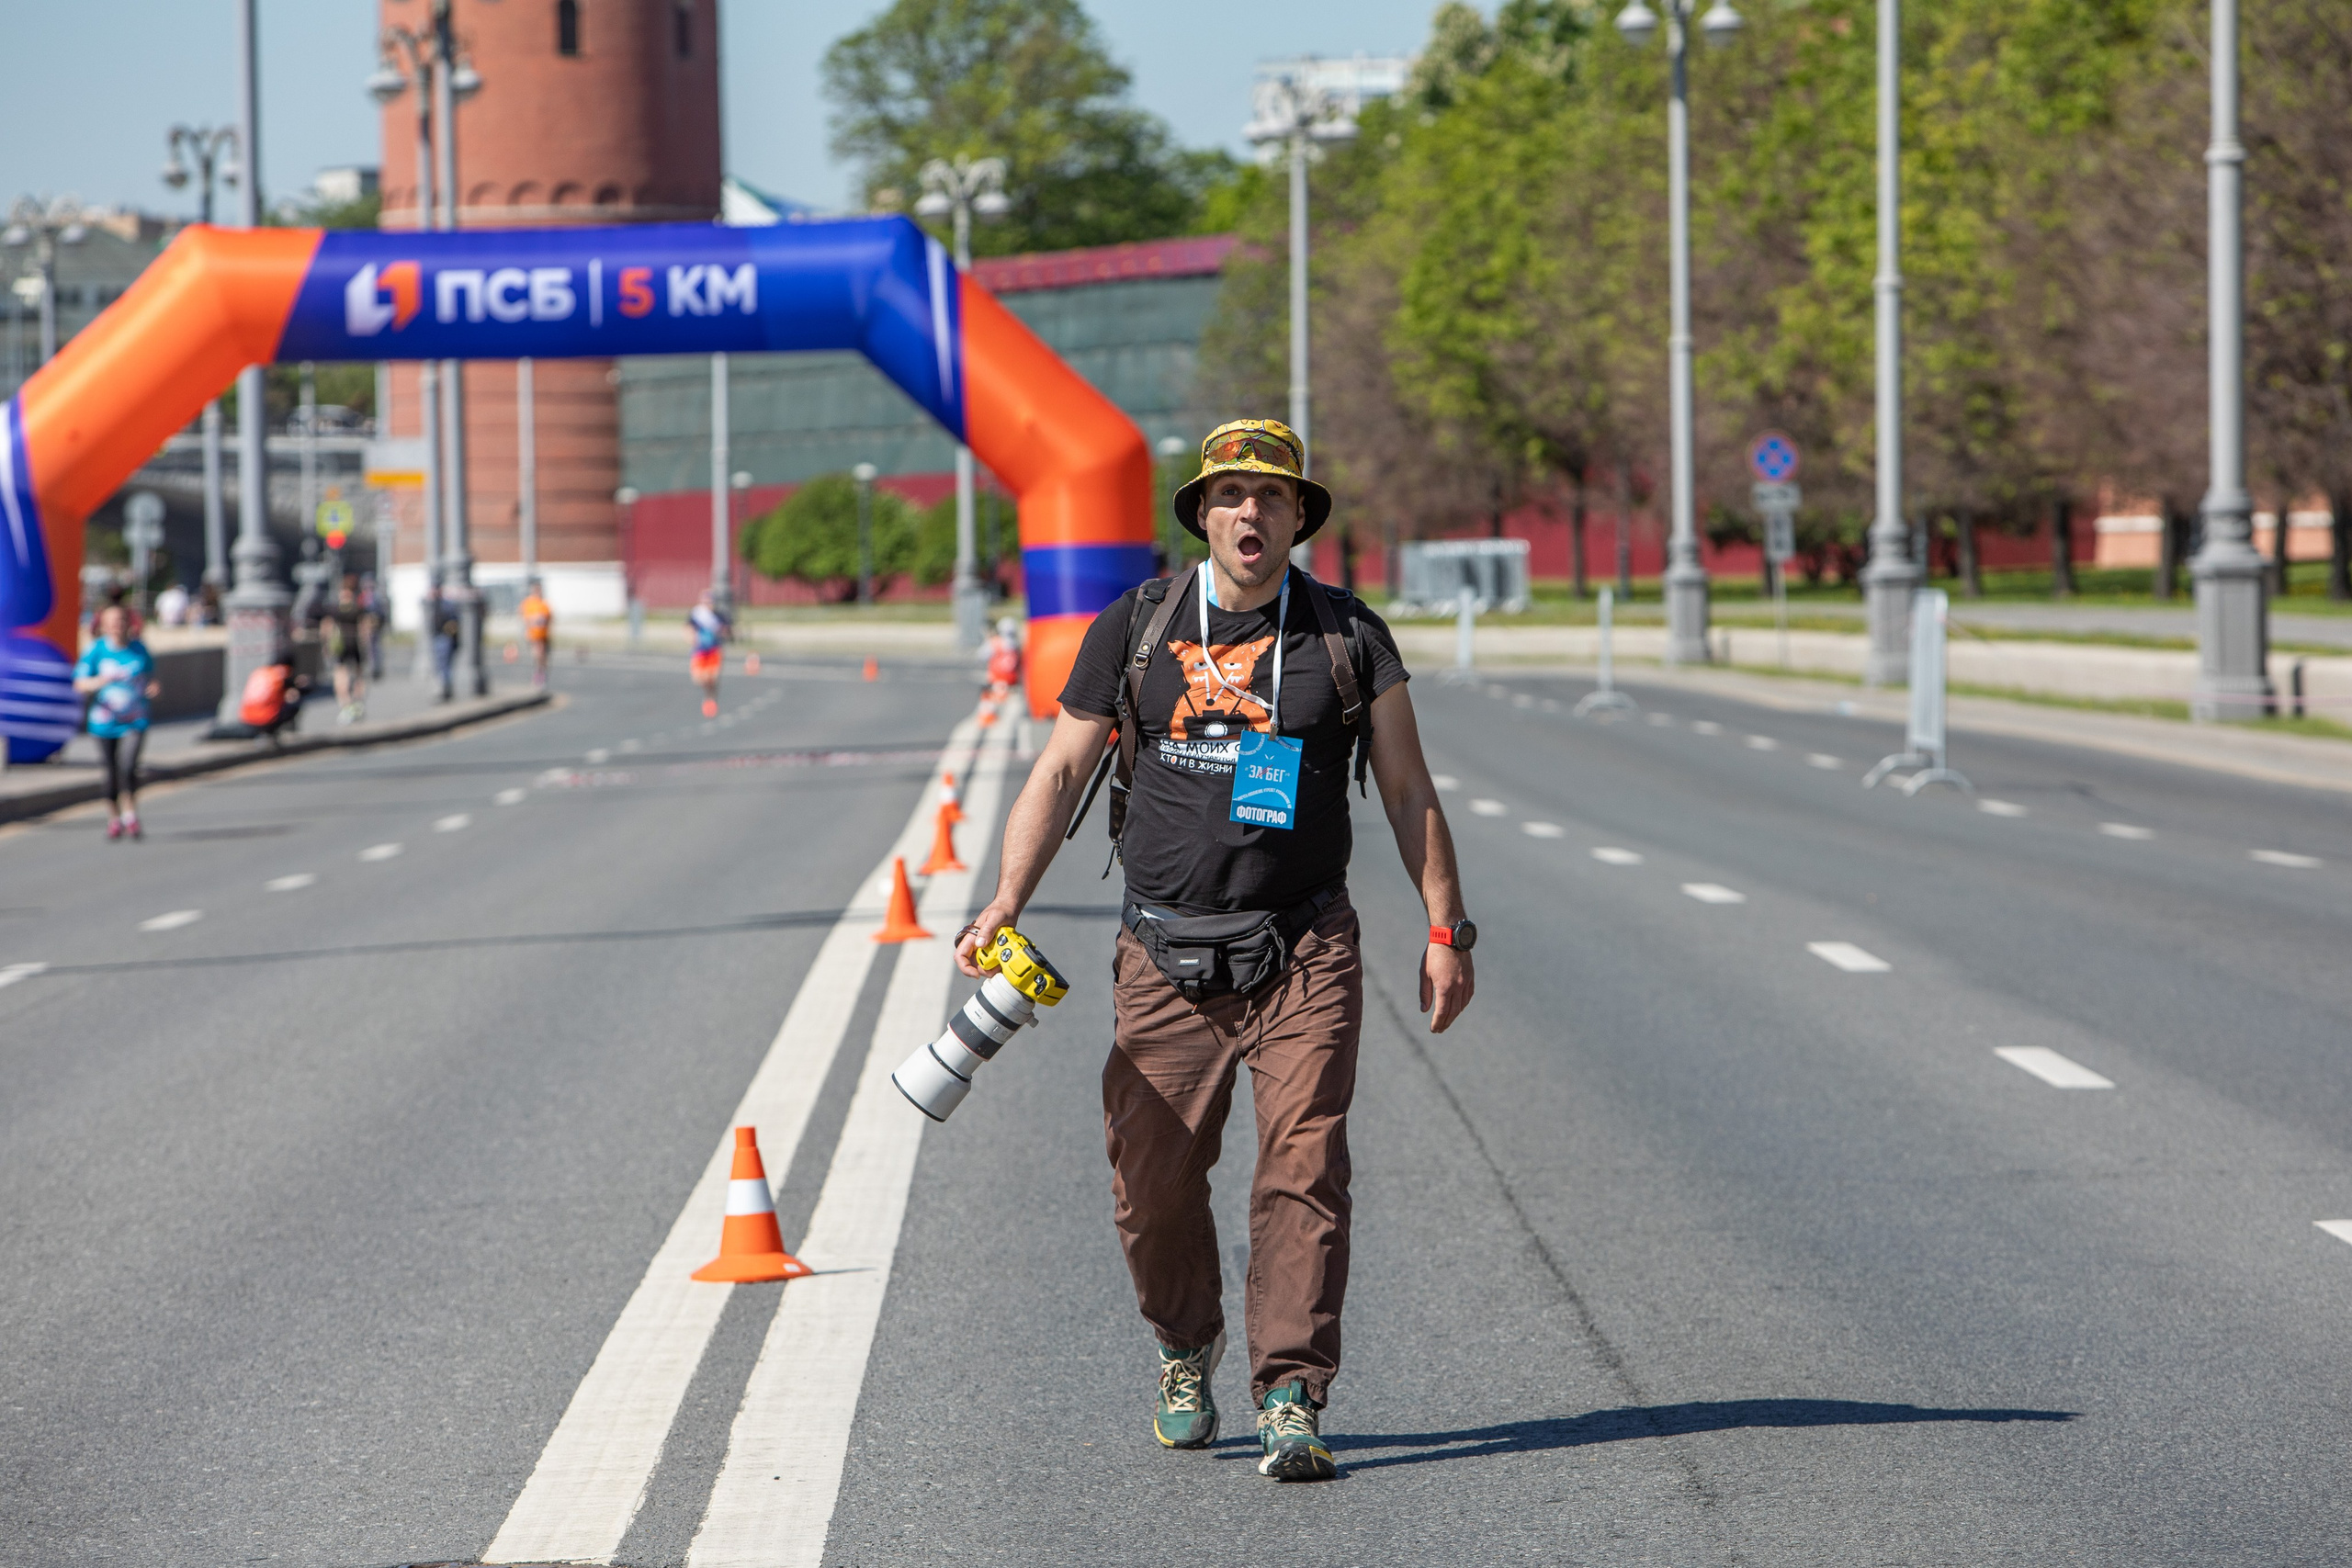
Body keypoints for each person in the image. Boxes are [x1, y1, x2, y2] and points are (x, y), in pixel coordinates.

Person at [956, 418, 1476, 1482]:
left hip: (1302, 946)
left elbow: (1412, 788)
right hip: (1162, 952)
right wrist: (1005, 896)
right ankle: (1184, 1345)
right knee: (1150, 1186)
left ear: (1297, 518)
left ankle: (1289, 1391)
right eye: (1231, 495)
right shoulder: (1135, 626)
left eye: (1272, 498)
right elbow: (1058, 773)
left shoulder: (1346, 634)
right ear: (1201, 513)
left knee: (1303, 1167)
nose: (1251, 513)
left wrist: (1443, 928)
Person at [73, 602, 160, 840]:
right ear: (102, 625)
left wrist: (153, 687)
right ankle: (114, 818)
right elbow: (79, 683)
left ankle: (130, 814)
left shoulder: (139, 649)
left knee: (129, 766)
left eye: (121, 621)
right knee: (111, 772)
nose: (116, 627)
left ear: (128, 624)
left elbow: (150, 676)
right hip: (104, 721)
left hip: (135, 719)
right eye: (111, 623)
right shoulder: (96, 650)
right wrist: (99, 681)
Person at [325, 575, 375, 724]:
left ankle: (346, 705)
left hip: (340, 644)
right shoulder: (358, 607)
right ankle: (358, 704)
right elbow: (366, 628)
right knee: (359, 674)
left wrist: (328, 646)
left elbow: (328, 627)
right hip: (355, 643)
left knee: (341, 675)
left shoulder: (335, 607)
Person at [687, 590, 729, 717]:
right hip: (700, 650)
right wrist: (691, 638)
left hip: (714, 650)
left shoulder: (718, 616)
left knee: (713, 677)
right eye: (706, 602)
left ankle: (711, 700)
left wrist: (721, 632)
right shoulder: (697, 615)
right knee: (699, 678)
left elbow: (726, 630)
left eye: (710, 602)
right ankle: (708, 694)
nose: (708, 604)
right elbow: (688, 628)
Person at [425, 582, 460, 702]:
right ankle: (442, 688)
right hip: (437, 637)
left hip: (445, 638)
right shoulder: (433, 604)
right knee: (439, 665)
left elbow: (454, 623)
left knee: (445, 665)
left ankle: (446, 689)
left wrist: (449, 632)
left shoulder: (446, 605)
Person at [518, 578, 554, 688]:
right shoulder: (528, 603)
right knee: (537, 654)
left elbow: (549, 618)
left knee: (542, 655)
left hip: (543, 635)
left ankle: (541, 673)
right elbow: (524, 618)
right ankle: (538, 673)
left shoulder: (544, 604)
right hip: (533, 634)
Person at [985, 615, 1023, 694]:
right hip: (1012, 680)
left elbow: (982, 655)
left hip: (996, 679)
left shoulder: (995, 642)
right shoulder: (1017, 645)